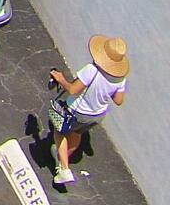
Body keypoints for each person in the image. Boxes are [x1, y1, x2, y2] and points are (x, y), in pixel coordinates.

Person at [44, 35, 129, 187]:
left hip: (79, 111)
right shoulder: (120, 78)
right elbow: (118, 100)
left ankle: (64, 169)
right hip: (98, 115)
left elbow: (73, 90)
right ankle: (62, 158)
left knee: (59, 131)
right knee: (77, 134)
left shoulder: (91, 70)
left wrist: (61, 78)